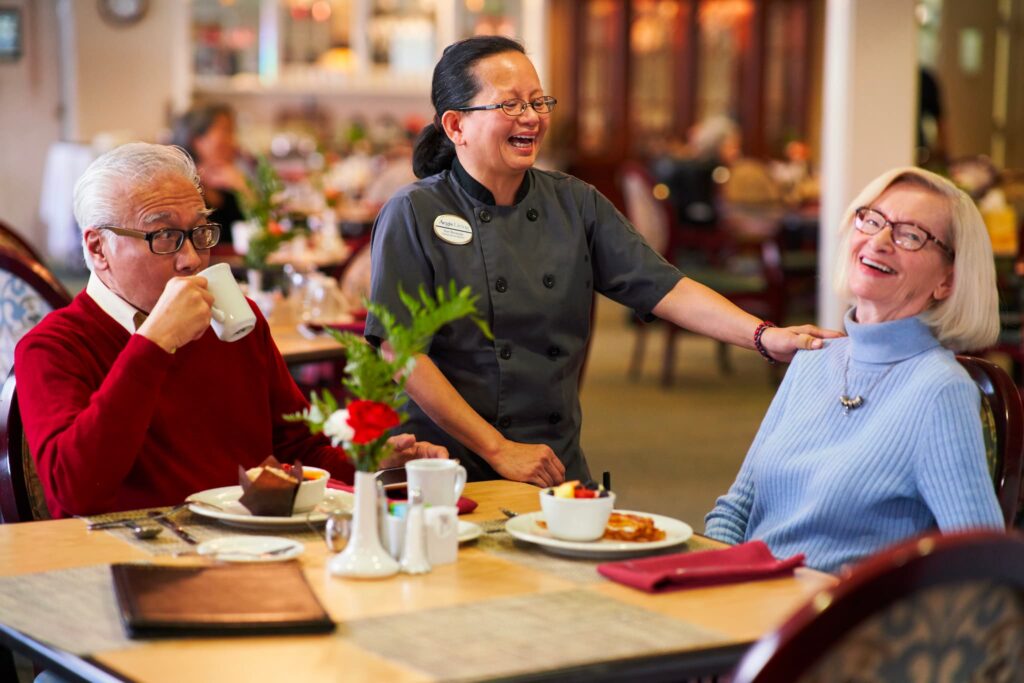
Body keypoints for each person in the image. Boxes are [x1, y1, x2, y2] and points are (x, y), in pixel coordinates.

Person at [365, 36, 837, 488]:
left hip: (548, 458)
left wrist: (763, 336)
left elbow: (665, 287)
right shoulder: (413, 212)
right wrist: (497, 448)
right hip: (444, 464)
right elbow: (402, 353)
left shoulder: (575, 203)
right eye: (509, 105)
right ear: (455, 125)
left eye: (537, 102)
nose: (530, 117)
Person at [14, 143, 445, 519]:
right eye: (164, 235)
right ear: (97, 247)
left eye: (199, 233)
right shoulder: (53, 346)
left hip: (253, 544)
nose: (190, 259)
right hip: (128, 566)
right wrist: (154, 343)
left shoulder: (237, 320)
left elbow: (299, 449)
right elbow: (75, 490)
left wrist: (372, 461)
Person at [704, 167, 1005, 573]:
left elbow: (982, 567)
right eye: (873, 220)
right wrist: (704, 580)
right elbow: (735, 511)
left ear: (947, 281)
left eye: (910, 235)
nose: (879, 241)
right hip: (745, 603)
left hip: (839, 625)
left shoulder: (940, 391)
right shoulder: (812, 356)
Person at [171, 104, 248, 248]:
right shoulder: (180, 187)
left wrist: (243, 188)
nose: (233, 141)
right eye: (226, 132)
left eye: (233, 132)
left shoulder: (228, 182)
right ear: (197, 141)